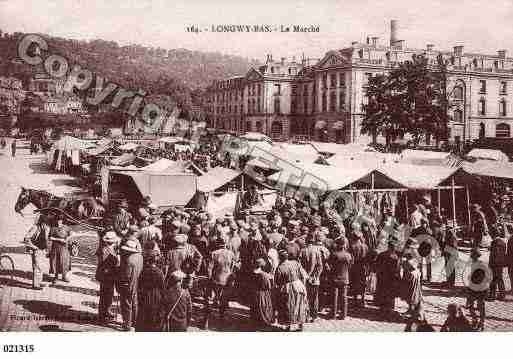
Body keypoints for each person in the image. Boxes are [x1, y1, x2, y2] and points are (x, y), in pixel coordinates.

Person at [203, 234, 236, 328]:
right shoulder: (231, 254)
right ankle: (221, 320)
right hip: (227, 281)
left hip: (215, 280)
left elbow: (209, 268)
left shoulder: (214, 253)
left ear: (217, 243)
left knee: (209, 300)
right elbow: (233, 267)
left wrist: (209, 279)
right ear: (226, 243)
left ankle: (206, 321)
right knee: (223, 300)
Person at [274, 250, 308, 331]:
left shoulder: (280, 267)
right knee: (300, 305)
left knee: (289, 306)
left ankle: (289, 325)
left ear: (280, 258)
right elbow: (304, 275)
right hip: (299, 285)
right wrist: (302, 285)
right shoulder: (295, 263)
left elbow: (277, 281)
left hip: (288, 288)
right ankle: (300, 324)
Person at [136, 246, 165, 331]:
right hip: (156, 296)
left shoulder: (144, 271)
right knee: (154, 318)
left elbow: (139, 284)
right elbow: (162, 287)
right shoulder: (159, 272)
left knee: (143, 316)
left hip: (145, 296)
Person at [118, 239, 144, 331]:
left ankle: (127, 324)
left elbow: (126, 275)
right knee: (135, 303)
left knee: (126, 304)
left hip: (128, 284)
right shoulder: (140, 257)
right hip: (137, 282)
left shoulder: (128, 260)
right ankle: (135, 321)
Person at [96, 231, 120, 323]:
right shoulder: (104, 250)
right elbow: (103, 263)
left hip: (108, 275)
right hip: (106, 275)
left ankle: (107, 311)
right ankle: (102, 315)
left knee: (109, 294)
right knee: (104, 295)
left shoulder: (108, 248)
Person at [299, 234, 324, 322]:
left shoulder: (302, 251)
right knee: (314, 297)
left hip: (305, 278)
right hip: (315, 279)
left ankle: (306, 314)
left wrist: (306, 276)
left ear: (306, 241)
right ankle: (314, 315)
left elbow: (300, 266)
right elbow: (320, 266)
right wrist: (315, 276)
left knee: (306, 297)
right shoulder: (317, 251)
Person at [374, 238, 401, 319]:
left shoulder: (382, 255)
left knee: (382, 293)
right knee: (391, 294)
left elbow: (376, 265)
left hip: (382, 278)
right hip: (392, 279)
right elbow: (397, 270)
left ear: (388, 246)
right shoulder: (396, 257)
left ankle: (382, 309)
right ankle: (390, 309)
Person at [23, 214, 50, 289]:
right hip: (36, 250)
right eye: (44, 223)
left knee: (41, 267)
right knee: (37, 267)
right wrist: (34, 247)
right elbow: (26, 238)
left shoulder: (46, 229)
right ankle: (35, 285)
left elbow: (46, 240)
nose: (45, 225)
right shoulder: (35, 228)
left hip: (42, 250)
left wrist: (47, 249)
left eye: (46, 223)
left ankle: (39, 282)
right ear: (41, 222)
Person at [328, 240, 353, 319]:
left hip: (335, 277)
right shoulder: (348, 255)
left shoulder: (334, 254)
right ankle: (343, 314)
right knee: (344, 297)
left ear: (338, 245)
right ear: (344, 245)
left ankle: (333, 314)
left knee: (334, 296)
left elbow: (330, 264)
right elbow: (350, 266)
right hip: (345, 277)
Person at [466, 248, 489, 331]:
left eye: (472, 256)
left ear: (475, 256)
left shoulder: (479, 264)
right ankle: (479, 322)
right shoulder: (478, 263)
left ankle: (479, 322)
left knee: (472, 305)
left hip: (477, 289)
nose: (471, 257)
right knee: (479, 306)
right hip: (481, 288)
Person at [250, 258, 274, 330]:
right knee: (264, 307)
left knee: (255, 307)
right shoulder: (264, 275)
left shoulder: (252, 273)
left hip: (255, 293)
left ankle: (255, 322)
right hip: (263, 293)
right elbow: (268, 286)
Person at [48, 215, 73, 283]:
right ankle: (55, 277)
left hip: (64, 248)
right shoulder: (53, 228)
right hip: (55, 247)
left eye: (60, 220)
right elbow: (50, 238)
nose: (59, 222)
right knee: (55, 262)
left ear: (62, 221)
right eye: (58, 220)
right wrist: (59, 239)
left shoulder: (66, 227)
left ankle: (64, 276)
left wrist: (67, 239)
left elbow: (71, 234)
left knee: (64, 262)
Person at [349, 231, 368, 307]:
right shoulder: (365, 246)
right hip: (363, 267)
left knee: (354, 283)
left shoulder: (352, 246)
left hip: (355, 267)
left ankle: (355, 300)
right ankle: (363, 300)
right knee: (363, 283)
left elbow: (351, 258)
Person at [488, 225, 507, 301]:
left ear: (494, 234)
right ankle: (502, 295)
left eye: (491, 234)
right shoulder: (502, 242)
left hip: (495, 264)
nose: (490, 235)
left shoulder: (496, 242)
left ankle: (492, 296)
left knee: (493, 279)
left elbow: (496, 255)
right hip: (500, 264)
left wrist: (491, 265)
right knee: (499, 279)